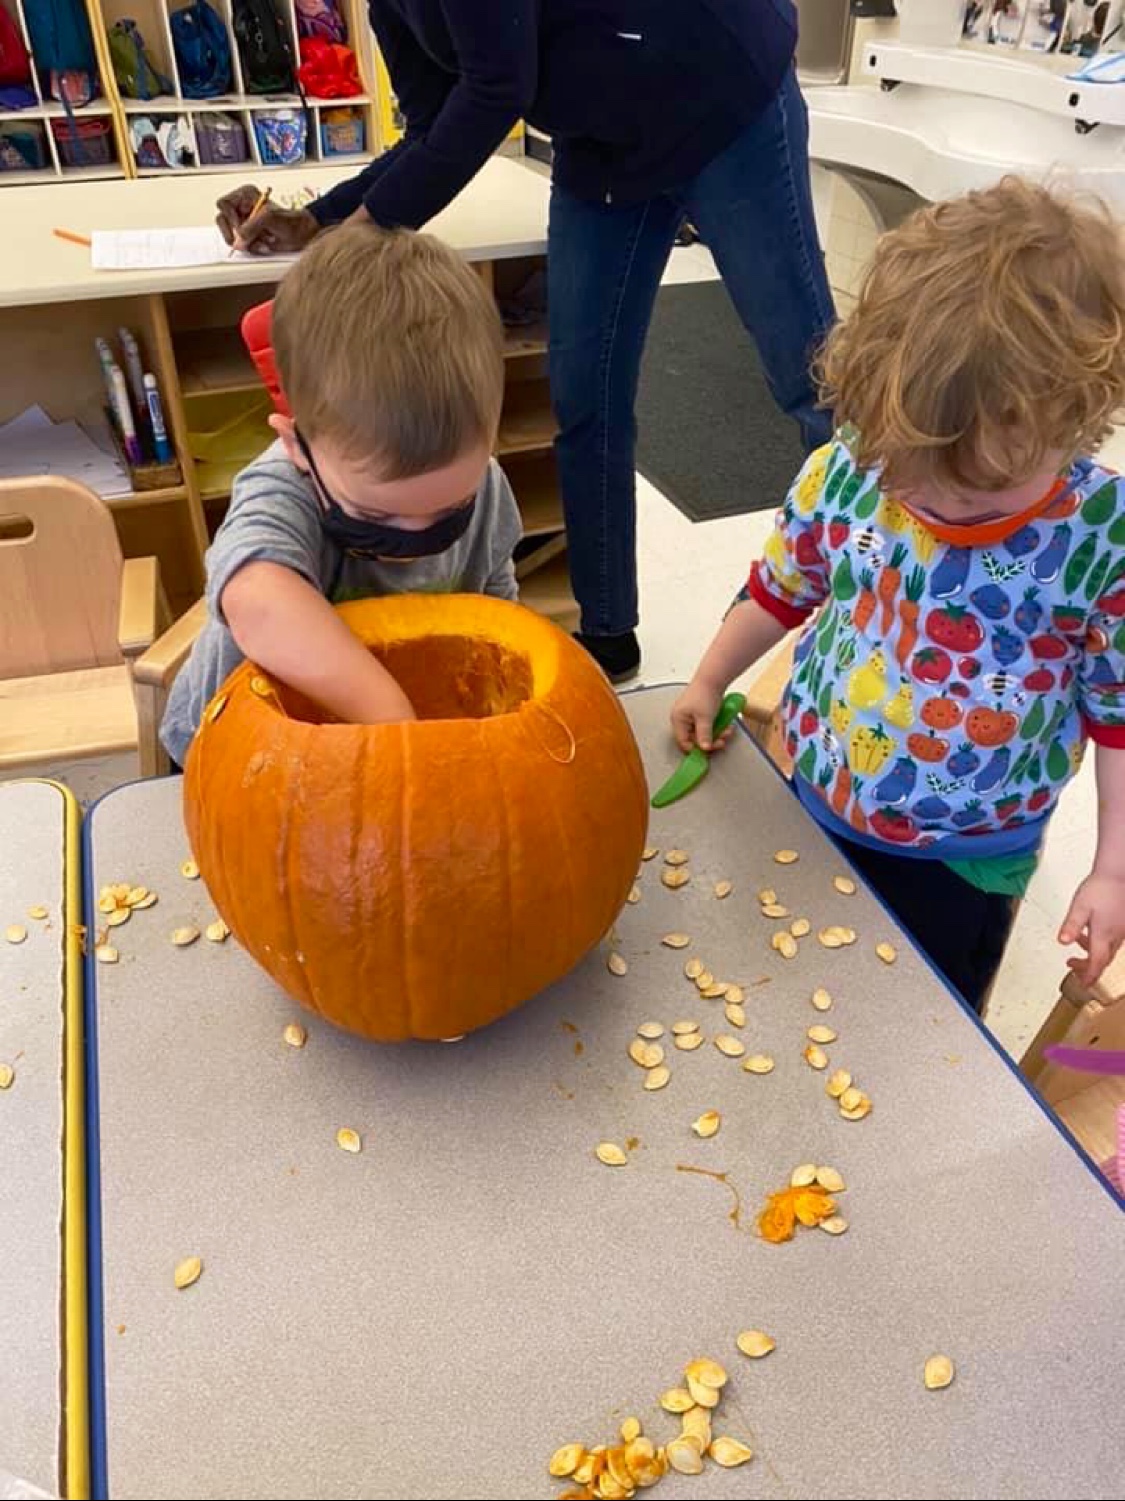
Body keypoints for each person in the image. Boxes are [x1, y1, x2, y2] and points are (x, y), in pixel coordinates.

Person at [214, 1, 834, 684]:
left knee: (812, 379)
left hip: (722, 95)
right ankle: (607, 632)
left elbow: (495, 89)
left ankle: (871, 592)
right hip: (602, 139)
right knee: (584, 397)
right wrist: (322, 218)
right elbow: (429, 127)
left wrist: (359, 230)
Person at [671, 179, 1125, 1010]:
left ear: (1074, 422)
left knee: (922, 1024)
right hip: (817, 789)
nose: (937, 512)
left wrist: (1112, 869)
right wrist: (707, 677)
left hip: (967, 855)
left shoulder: (1102, 537)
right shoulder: (852, 467)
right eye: (911, 479)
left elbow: (1118, 715)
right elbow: (778, 587)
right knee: (792, 988)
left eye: (978, 492)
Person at [161, 221, 521, 768]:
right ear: (298, 447)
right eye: (375, 515)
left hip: (416, 744)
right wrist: (393, 719)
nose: (415, 539)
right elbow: (257, 601)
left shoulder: (485, 484)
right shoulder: (280, 490)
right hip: (245, 756)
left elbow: (498, 617)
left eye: (451, 511)